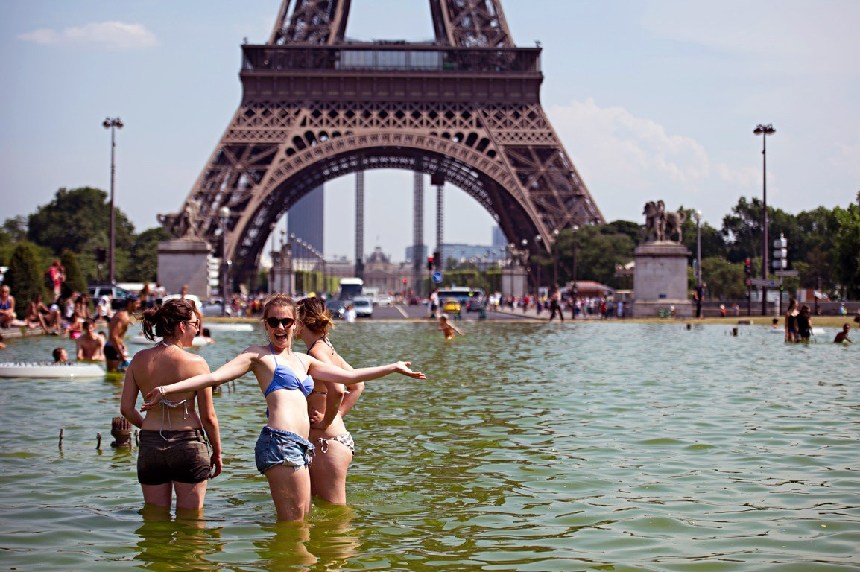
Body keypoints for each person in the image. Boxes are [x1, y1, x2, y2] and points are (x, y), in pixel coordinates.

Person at [141, 293, 425, 521]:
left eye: (286, 322)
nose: (280, 327)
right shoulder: (257, 355)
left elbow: (351, 378)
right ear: (265, 324)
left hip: (302, 445)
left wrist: (393, 367)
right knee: (296, 528)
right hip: (280, 442)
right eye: (273, 322)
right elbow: (214, 377)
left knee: (302, 522)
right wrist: (167, 389)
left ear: (295, 324)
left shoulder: (305, 360)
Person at [120, 299, 222, 512]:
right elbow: (208, 417)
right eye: (196, 324)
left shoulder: (138, 360)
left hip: (150, 444)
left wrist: (148, 426)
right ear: (182, 326)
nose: (197, 330)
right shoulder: (197, 363)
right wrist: (217, 453)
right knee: (192, 524)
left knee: (155, 520)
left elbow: (126, 409)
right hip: (187, 444)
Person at [295, 297, 364, 505]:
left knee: (336, 515)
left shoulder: (317, 351)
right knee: (326, 511)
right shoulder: (326, 347)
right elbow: (358, 385)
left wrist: (326, 421)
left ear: (302, 320)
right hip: (330, 441)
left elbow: (338, 388)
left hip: (327, 444)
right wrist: (337, 416)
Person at [106, 296, 137, 372]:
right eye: (137, 303)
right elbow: (114, 336)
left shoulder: (120, 314)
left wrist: (123, 345)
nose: (138, 305)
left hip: (111, 347)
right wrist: (121, 354)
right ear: (130, 303)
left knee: (113, 377)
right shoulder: (123, 316)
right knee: (118, 379)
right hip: (115, 349)